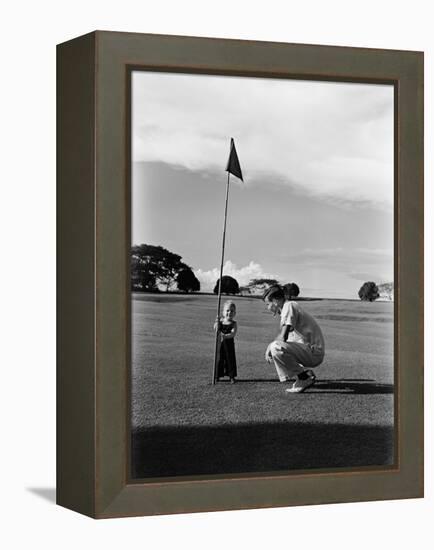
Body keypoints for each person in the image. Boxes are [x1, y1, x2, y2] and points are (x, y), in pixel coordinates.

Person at [262, 284, 325, 393]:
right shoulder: (288, 309)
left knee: (275, 347)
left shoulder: (288, 306)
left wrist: (269, 347)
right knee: (277, 346)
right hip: (310, 351)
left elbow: (283, 336)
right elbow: (287, 337)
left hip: (313, 352)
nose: (267, 307)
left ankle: (303, 378)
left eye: (268, 304)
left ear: (276, 301)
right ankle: (305, 374)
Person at [214, 300, 238, 383]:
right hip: (220, 344)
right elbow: (215, 329)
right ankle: (217, 376)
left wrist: (225, 336)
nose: (229, 312)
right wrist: (216, 322)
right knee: (219, 359)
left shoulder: (233, 323)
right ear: (223, 312)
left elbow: (233, 333)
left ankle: (231, 377)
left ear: (234, 313)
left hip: (229, 345)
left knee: (230, 360)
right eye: (227, 310)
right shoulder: (220, 322)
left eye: (232, 311)